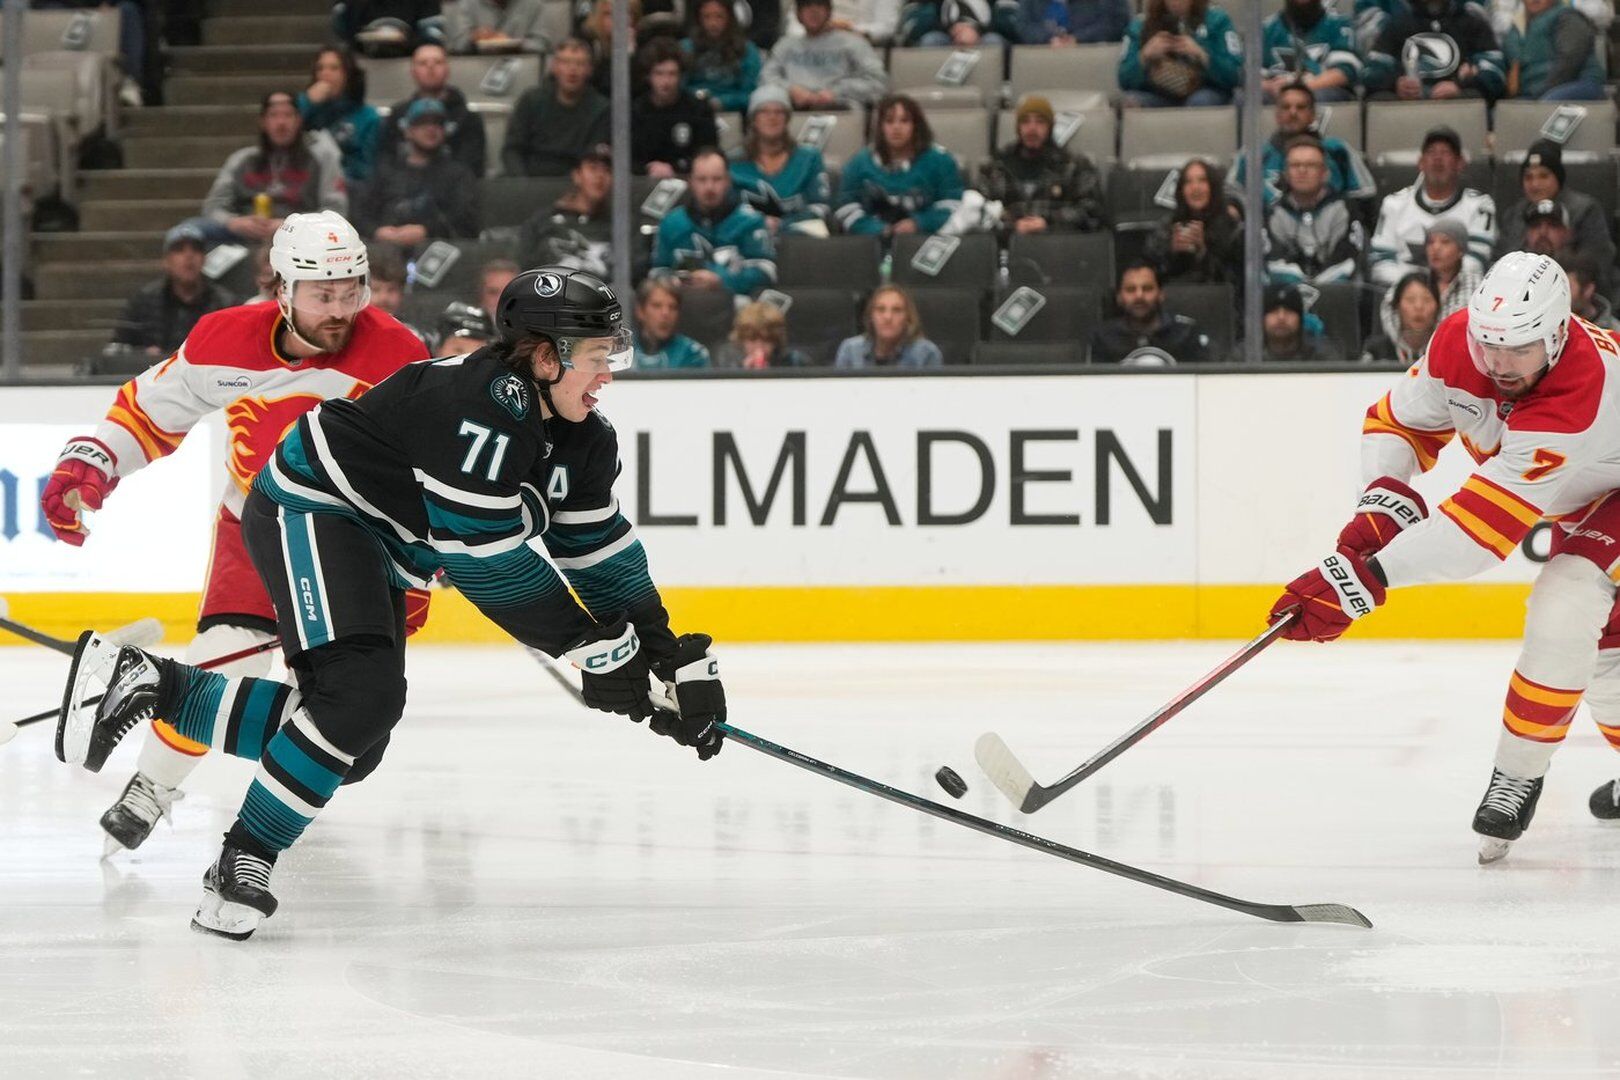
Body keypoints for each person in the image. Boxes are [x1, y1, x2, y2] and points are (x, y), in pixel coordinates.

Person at [56, 266, 727, 940]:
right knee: (357, 703)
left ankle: (150, 685)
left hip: (381, 545)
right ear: (547, 359)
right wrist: (597, 652)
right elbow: (485, 561)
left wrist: (664, 657)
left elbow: (601, 554)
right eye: (596, 357)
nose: (608, 374)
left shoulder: (586, 439)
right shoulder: (485, 408)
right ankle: (242, 861)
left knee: (356, 740)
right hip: (315, 506)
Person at [42, 211, 432, 858]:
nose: (341, 310)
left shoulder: (396, 353)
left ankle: (164, 696)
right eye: (323, 294)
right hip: (257, 523)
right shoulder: (224, 338)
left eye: (351, 291)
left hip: (352, 542)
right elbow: (148, 412)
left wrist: (414, 563)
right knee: (225, 653)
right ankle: (154, 782)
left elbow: (425, 470)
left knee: (353, 731)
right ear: (282, 289)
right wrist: (93, 463)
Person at [1266, 251, 1620, 865]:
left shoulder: (1580, 389)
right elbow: (1398, 424)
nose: (1499, 365)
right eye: (1490, 345)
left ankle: (1516, 777)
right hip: (1592, 497)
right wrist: (1381, 503)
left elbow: (1480, 531)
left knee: (1565, 602)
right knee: (1608, 657)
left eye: (1519, 349)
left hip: (1605, 492)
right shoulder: (1459, 342)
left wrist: (1364, 579)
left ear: (1558, 336)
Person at [196, 91, 349, 249]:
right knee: (190, 230)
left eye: (288, 115)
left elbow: (336, 211)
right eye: (274, 115)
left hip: (303, 242)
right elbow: (213, 207)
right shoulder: (241, 160)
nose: (281, 122)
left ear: (299, 121)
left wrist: (292, 225)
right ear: (262, 122)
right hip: (243, 240)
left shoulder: (322, 160)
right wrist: (233, 222)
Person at [1369, 126, 1495, 287]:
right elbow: (1380, 263)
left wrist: (1441, 286)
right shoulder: (1393, 203)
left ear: (1460, 163)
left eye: (1445, 152)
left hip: (1458, 292)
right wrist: (1418, 288)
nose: (1437, 158)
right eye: (1431, 152)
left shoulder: (1480, 205)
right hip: (1403, 293)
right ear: (1420, 163)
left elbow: (1476, 262)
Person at [353, 98, 481, 249]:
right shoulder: (384, 172)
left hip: (438, 250)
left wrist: (426, 231)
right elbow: (359, 216)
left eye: (437, 123)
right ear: (408, 131)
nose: (431, 129)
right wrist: (376, 232)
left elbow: (466, 222)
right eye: (422, 123)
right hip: (384, 249)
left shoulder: (459, 175)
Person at [651, 147, 778, 297]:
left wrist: (721, 281)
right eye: (702, 179)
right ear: (691, 182)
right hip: (682, 303)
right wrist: (675, 283)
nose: (709, 187)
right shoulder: (671, 223)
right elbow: (657, 272)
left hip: (735, 303)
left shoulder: (751, 222)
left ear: (728, 181)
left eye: (717, 179)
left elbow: (766, 272)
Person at [834, 94, 963, 238]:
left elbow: (951, 205)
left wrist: (918, 224)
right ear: (880, 127)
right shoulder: (859, 163)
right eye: (889, 121)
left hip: (926, 238)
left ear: (916, 125)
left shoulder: (941, 161)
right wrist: (877, 229)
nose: (896, 127)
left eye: (904, 121)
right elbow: (845, 207)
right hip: (871, 242)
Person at [977, 94, 1107, 236]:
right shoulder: (995, 167)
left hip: (1059, 244)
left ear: (1050, 127)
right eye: (1025, 122)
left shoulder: (1075, 165)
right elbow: (977, 212)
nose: (1032, 129)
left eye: (1040, 122)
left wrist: (1049, 222)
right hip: (1008, 244)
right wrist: (1012, 226)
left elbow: (1092, 212)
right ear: (1018, 127)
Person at [1231, 83, 1375, 208]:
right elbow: (1233, 197)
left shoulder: (1338, 150)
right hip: (1267, 228)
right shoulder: (1253, 154)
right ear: (1277, 114)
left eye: (1300, 107)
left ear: (1313, 114)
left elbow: (1364, 195)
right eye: (1286, 107)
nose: (1293, 112)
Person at [1494, 140, 1614, 292]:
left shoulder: (1586, 210)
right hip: (1519, 292)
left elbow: (1599, 264)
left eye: (1543, 176)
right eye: (1528, 177)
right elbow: (1499, 261)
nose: (1535, 184)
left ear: (1558, 178)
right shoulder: (1514, 214)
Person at [110, 224, 237, 357]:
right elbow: (115, 350)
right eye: (179, 249)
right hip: (154, 368)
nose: (189, 256)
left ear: (204, 259)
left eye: (196, 249)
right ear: (166, 261)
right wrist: (143, 354)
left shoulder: (225, 303)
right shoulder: (143, 301)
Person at [729, 87, 833, 235]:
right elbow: (725, 211)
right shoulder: (733, 162)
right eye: (764, 112)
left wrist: (782, 225)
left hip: (799, 237)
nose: (772, 117)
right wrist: (760, 224)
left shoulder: (809, 158)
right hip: (748, 237)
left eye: (779, 112)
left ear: (787, 119)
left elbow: (821, 206)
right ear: (753, 119)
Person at [377, 42, 489, 179]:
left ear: (447, 70)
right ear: (413, 72)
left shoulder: (468, 119)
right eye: (423, 63)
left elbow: (471, 169)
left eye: (438, 62)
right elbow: (385, 162)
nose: (430, 67)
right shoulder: (397, 115)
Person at [502, 38, 611, 177]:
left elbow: (594, 158)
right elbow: (512, 149)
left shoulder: (601, 109)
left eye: (580, 64)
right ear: (554, 67)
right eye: (565, 62)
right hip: (529, 179)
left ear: (590, 70)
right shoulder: (531, 100)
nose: (572, 69)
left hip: (577, 182)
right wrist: (522, 183)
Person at [1263, 136, 1362, 287]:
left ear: (1325, 173)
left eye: (1311, 165)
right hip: (1288, 294)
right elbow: (1275, 263)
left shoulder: (1344, 209)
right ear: (1286, 173)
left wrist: (1319, 287)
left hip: (1335, 293)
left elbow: (1345, 262)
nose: (1302, 171)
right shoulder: (1274, 212)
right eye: (1295, 165)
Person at [1364, 0, 1505, 101]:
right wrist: (1396, 83)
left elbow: (1496, 75)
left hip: (1456, 108)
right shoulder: (1396, 24)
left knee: (1474, 96)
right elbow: (1371, 74)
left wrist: (1461, 86)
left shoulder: (1473, 22)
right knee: (1381, 98)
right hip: (1408, 108)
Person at [761, 0, 888, 111]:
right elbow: (766, 78)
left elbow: (878, 82)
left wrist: (837, 92)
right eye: (807, 6)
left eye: (819, 5)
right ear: (798, 14)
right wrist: (790, 90)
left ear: (829, 11)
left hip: (841, 107)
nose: (814, 11)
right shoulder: (785, 45)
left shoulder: (853, 43)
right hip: (793, 108)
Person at [1117, 0, 1244, 109]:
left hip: (1205, 90)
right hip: (1157, 93)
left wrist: (1201, 55)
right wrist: (1145, 55)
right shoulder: (1140, 25)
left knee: (1200, 101)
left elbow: (1235, 74)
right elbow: (1124, 79)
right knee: (1131, 101)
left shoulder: (1217, 21)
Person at [1089, 259, 1213, 364]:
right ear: (1119, 297)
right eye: (1130, 289)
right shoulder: (1104, 337)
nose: (1139, 296)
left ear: (1161, 294)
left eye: (1147, 289)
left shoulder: (1187, 333)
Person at [518, 145, 614, 278]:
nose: (600, 176)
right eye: (593, 168)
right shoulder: (542, 222)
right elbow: (526, 266)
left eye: (607, 170)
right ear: (577, 175)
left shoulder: (621, 226)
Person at [1146, 158, 1244, 286]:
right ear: (1181, 189)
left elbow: (1238, 281)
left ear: (1212, 187)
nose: (1195, 187)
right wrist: (1171, 253)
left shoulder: (1231, 228)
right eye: (1188, 182)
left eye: (1202, 180)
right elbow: (1149, 275)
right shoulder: (1168, 226)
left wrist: (1203, 253)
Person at [632, 38, 721, 177]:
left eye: (672, 74)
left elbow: (708, 153)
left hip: (689, 179)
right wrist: (646, 168)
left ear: (680, 75)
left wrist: (676, 168)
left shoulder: (699, 109)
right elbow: (627, 157)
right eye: (659, 73)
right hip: (642, 180)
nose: (666, 81)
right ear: (648, 76)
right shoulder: (636, 111)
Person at [297, 46, 383, 184]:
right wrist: (307, 101)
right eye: (320, 68)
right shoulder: (307, 108)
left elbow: (368, 170)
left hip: (346, 187)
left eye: (334, 68)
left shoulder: (368, 117)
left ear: (348, 75)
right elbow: (283, 129)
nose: (325, 74)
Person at [1259, 0, 1360, 102]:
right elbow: (1252, 76)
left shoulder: (1338, 24)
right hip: (1277, 92)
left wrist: (1300, 87)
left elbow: (1345, 72)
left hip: (1321, 90)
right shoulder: (1267, 28)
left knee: (1311, 98)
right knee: (1255, 98)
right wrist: (1270, 86)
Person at [1504, 0, 1604, 100]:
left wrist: (1543, 91)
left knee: (1548, 103)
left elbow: (1570, 59)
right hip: (1537, 92)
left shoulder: (1567, 16)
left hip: (1578, 83)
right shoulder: (1519, 26)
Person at [834, 285, 943, 368]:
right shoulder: (850, 350)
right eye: (880, 309)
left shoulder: (926, 353)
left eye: (897, 310)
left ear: (908, 318)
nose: (888, 317)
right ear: (871, 316)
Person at [683, 0, 764, 112]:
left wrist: (723, 102)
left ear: (730, 18)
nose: (713, 23)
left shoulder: (747, 50)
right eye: (706, 17)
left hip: (734, 111)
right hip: (691, 109)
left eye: (719, 17)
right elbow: (678, 86)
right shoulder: (686, 48)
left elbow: (751, 92)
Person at [1361, 270, 1441, 364]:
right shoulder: (1375, 352)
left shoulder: (1445, 351)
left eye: (1427, 300)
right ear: (1397, 306)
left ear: (1438, 307)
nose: (1419, 306)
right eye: (1410, 300)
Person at [1255, 281, 1342, 362]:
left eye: (1289, 311)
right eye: (1273, 311)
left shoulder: (1321, 354)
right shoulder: (1249, 353)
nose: (1281, 317)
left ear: (1300, 318)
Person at [633, 280, 712, 368]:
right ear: (640, 311)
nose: (666, 313)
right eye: (657, 306)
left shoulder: (693, 354)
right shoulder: (623, 351)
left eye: (673, 307)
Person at [715, 299, 809, 367]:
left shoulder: (795, 362)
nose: (759, 346)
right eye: (752, 340)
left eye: (766, 340)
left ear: (776, 342)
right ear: (741, 340)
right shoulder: (725, 360)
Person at [1420, 217, 1479, 319]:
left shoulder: (1478, 286)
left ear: (1460, 251)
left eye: (1445, 242)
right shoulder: (1417, 281)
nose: (1435, 248)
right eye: (1430, 242)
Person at [903, 0, 1021, 46]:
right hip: (943, 35)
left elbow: (1012, 23)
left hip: (987, 34)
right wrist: (953, 29)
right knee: (931, 41)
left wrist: (976, 29)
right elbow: (913, 27)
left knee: (993, 41)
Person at [446, 0, 549, 53]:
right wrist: (473, 37)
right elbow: (456, 45)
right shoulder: (466, 3)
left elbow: (542, 44)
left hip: (523, 65)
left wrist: (517, 44)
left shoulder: (534, 4)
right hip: (477, 65)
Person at [1017, 0, 1131, 45]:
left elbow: (1116, 23)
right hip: (1041, 56)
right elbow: (1023, 25)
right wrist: (1048, 39)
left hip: (1093, 56)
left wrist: (1077, 39)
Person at [1561, 250, 1620, 333]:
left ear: (1588, 290)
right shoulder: (1548, 324)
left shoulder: (1614, 334)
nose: (1559, 295)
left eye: (1566, 287)